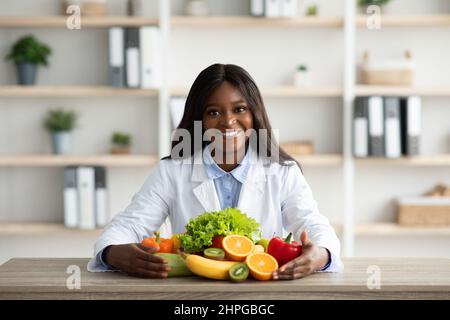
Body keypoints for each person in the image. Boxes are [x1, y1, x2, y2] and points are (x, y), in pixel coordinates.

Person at [87, 63, 343, 280]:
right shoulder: (172, 171)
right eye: (213, 112)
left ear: (254, 114)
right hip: (194, 296)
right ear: (199, 120)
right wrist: (112, 252)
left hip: (263, 292)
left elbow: (314, 224)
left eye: (239, 109)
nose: (228, 122)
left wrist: (321, 254)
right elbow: (128, 224)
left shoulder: (282, 171)